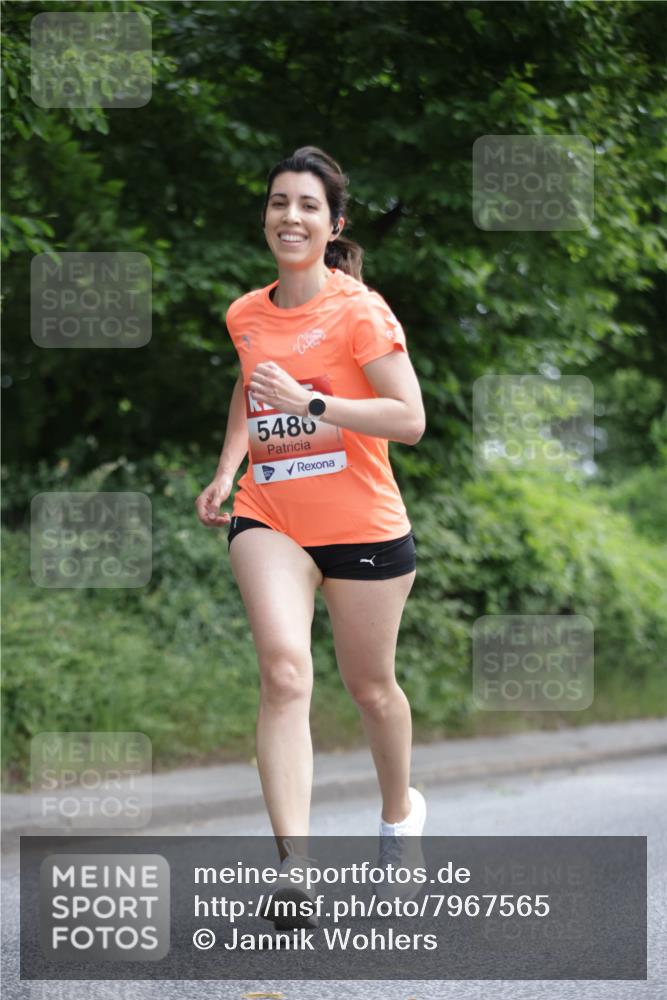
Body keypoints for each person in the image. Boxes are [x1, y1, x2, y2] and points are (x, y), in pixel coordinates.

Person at [195, 146, 427, 928]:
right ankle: (295, 869)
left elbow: (410, 420)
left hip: (361, 523)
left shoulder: (360, 310)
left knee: (370, 690)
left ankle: (399, 818)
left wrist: (312, 403)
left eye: (306, 206)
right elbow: (247, 382)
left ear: (332, 226)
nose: (288, 217)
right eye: (277, 203)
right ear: (265, 216)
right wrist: (229, 468)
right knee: (285, 675)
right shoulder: (244, 312)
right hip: (273, 513)